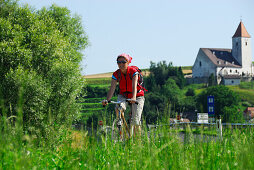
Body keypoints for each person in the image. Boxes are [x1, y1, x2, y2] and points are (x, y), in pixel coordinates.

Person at [102, 53, 145, 137]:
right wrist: (107, 100)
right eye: (118, 62)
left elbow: (134, 86)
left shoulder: (133, 72)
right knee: (118, 108)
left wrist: (133, 97)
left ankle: (138, 141)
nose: (121, 64)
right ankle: (120, 128)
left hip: (137, 96)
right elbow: (112, 88)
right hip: (124, 95)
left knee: (136, 121)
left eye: (123, 62)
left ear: (128, 62)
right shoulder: (116, 74)